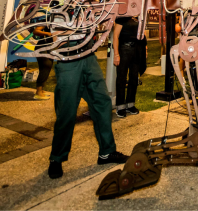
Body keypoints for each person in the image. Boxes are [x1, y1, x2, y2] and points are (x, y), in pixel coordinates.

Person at [47, 24, 129, 179]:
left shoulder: (87, 4)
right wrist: (83, 27)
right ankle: (56, 158)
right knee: (67, 110)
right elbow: (57, 35)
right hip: (68, 58)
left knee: (102, 102)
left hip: (89, 56)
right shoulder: (59, 5)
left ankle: (107, 152)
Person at [112, 16, 147, 117]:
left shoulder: (139, 18)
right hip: (124, 49)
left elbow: (142, 35)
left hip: (137, 50)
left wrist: (145, 49)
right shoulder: (122, 18)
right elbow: (115, 36)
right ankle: (120, 106)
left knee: (134, 78)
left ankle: (130, 104)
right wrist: (116, 54)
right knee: (121, 78)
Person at [31, 17, 54, 100]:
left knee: (47, 67)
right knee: (46, 66)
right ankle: (38, 92)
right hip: (42, 47)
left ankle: (41, 89)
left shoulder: (61, 21)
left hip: (49, 48)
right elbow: (36, 31)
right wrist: (48, 34)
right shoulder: (48, 20)